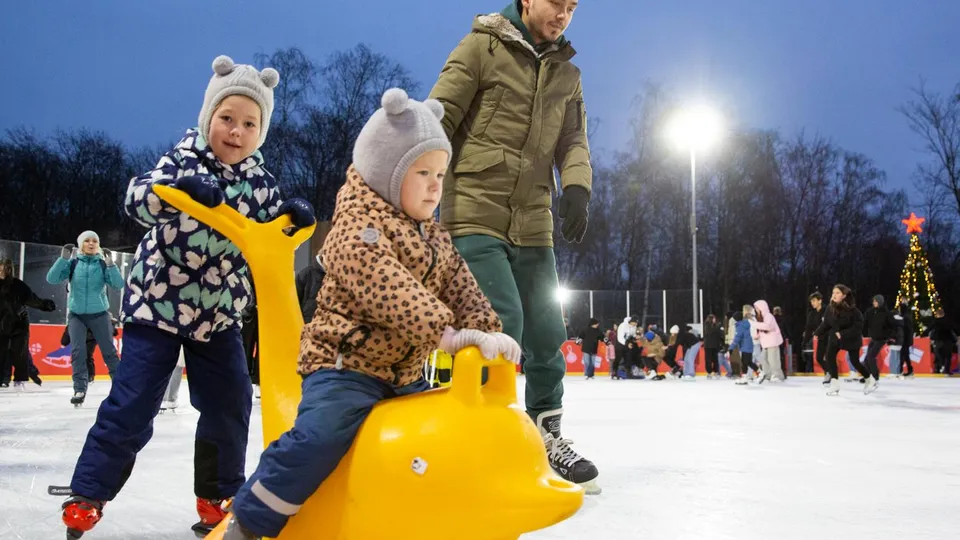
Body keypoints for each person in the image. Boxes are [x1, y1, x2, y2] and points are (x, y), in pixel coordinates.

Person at [218, 88, 520, 539]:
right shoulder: (357, 230)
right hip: (344, 368)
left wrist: (486, 330)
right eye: (422, 172)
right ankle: (250, 519)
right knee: (320, 438)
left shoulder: (434, 238)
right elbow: (387, 288)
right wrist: (446, 333)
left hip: (401, 374)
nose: (436, 185)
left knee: (441, 435)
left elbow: (462, 286)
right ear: (385, 173)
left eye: (440, 173)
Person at [60, 55, 318, 538]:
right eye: (226, 119)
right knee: (133, 402)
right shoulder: (183, 158)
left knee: (230, 402)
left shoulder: (261, 183)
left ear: (260, 131)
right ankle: (88, 492)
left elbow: (273, 236)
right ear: (208, 117)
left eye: (249, 123)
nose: (235, 132)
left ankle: (217, 495)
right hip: (158, 301)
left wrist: (294, 219)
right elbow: (137, 199)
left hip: (218, 314)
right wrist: (176, 189)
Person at [428, 0, 598, 491]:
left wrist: (579, 185)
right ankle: (477, 436)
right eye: (555, 3)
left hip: (533, 218)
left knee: (547, 328)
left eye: (572, 7)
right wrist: (418, 183)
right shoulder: (481, 46)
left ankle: (547, 437)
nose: (563, 14)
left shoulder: (569, 74)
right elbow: (439, 116)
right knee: (500, 321)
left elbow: (573, 140)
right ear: (526, 1)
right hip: (474, 208)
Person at [46, 231, 125, 405]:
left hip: (100, 315)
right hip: (76, 316)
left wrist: (111, 264)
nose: (91, 243)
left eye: (94, 241)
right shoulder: (73, 264)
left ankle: (121, 388)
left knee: (109, 352)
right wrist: (63, 259)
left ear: (98, 245)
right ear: (81, 244)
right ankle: (80, 389)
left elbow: (118, 284)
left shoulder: (103, 265)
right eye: (87, 241)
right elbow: (51, 279)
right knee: (78, 352)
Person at [0, 258, 56, 390]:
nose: (1, 272)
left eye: (4, 269)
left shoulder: (18, 285)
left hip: (18, 324)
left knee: (20, 353)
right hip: (1, 326)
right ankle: (3, 379)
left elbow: (31, 299)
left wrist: (44, 305)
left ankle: (19, 379)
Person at [815, 284, 865, 396]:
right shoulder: (830, 308)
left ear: (844, 295)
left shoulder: (851, 309)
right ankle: (835, 383)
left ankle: (869, 378)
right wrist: (817, 332)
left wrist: (842, 333)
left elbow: (857, 326)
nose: (834, 295)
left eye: (837, 293)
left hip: (850, 338)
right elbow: (826, 323)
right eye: (833, 293)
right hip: (836, 338)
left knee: (854, 361)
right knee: (829, 357)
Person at [862, 295, 896, 393]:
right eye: (873, 301)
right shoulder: (870, 312)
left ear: (880, 302)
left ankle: (875, 378)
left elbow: (893, 326)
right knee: (867, 358)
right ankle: (868, 377)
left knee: (871, 356)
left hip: (882, 339)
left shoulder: (886, 313)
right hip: (873, 338)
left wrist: (891, 336)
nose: (874, 303)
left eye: (876, 301)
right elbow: (865, 323)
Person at [753, 300, 785, 383]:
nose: (756, 310)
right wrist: (758, 336)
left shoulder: (768, 316)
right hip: (765, 343)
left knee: (773, 360)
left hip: (772, 342)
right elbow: (763, 330)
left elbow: (768, 327)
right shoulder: (761, 317)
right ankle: (768, 375)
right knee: (764, 360)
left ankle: (777, 376)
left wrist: (755, 324)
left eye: (757, 308)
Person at [730, 306, 761, 385]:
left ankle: (747, 376)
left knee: (745, 362)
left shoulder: (740, 326)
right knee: (748, 362)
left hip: (745, 346)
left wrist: (731, 347)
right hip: (748, 345)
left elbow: (737, 337)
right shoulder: (745, 324)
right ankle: (757, 373)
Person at [295, 247, 326, 324]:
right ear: (323, 257)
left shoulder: (337, 275)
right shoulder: (306, 274)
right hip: (307, 324)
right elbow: (295, 302)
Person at [802, 292, 827, 382]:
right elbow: (808, 329)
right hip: (821, 338)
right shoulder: (812, 314)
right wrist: (804, 343)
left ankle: (831, 376)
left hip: (830, 337)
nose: (812, 303)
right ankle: (829, 372)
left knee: (828, 357)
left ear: (820, 301)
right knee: (819, 358)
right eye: (811, 301)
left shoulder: (827, 310)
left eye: (814, 301)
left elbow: (827, 324)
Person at [702, 314, 724, 379]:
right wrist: (717, 327)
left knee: (715, 360)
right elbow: (709, 332)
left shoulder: (716, 325)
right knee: (708, 359)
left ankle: (716, 372)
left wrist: (721, 331)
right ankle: (709, 372)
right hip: (708, 346)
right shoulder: (707, 324)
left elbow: (718, 335)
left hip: (715, 345)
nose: (715, 320)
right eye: (714, 318)